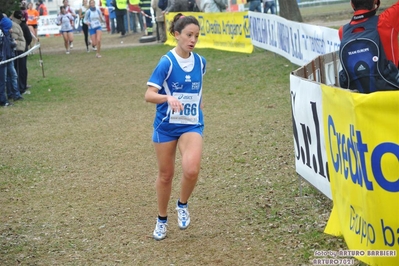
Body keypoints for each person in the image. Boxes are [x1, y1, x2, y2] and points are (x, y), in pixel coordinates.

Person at [145, 13, 206, 241]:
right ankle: (161, 219)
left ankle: (182, 204)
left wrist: (198, 105)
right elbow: (149, 94)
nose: (193, 40)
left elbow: (198, 88)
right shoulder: (166, 62)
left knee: (191, 169)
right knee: (166, 175)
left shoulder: (201, 62)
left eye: (196, 36)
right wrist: (166, 99)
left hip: (191, 124)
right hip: (166, 125)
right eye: (189, 35)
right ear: (176, 34)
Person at [338, 0, 399, 93]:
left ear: (352, 4)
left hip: (360, 100)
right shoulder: (386, 22)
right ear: (375, 2)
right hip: (391, 95)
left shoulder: (343, 32)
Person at [12, 10, 31, 95]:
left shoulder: (13, 24)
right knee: (21, 69)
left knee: (18, 69)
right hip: (20, 49)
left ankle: (20, 86)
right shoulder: (22, 25)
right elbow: (28, 38)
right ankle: (21, 87)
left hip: (19, 49)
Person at [6, 15, 25, 102]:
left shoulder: (8, 31)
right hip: (5, 56)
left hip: (9, 55)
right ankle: (10, 94)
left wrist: (14, 43)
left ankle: (15, 94)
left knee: (13, 75)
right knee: (8, 76)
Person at [0, 13, 14, 107]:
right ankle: (3, 100)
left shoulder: (3, 33)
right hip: (2, 59)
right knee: (2, 81)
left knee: (2, 80)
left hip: (3, 58)